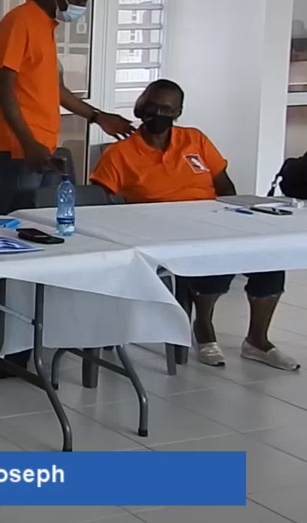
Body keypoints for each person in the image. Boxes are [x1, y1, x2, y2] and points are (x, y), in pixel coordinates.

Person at [90, 80, 299, 372]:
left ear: (178, 112)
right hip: (161, 231)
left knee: (269, 260)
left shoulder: (194, 139)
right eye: (152, 106)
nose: (158, 113)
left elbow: (223, 183)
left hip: (213, 219)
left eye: (167, 109)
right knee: (212, 262)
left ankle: (257, 341)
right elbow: (99, 201)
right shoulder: (120, 154)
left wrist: (234, 216)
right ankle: (203, 328)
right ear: (140, 106)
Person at [0, 0, 133, 212]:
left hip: (44, 146)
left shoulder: (45, 26)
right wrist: (28, 143)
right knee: (21, 221)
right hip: (21, 148)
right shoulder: (20, 21)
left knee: (49, 219)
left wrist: (97, 117)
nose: (82, 8)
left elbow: (57, 90)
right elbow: (3, 89)